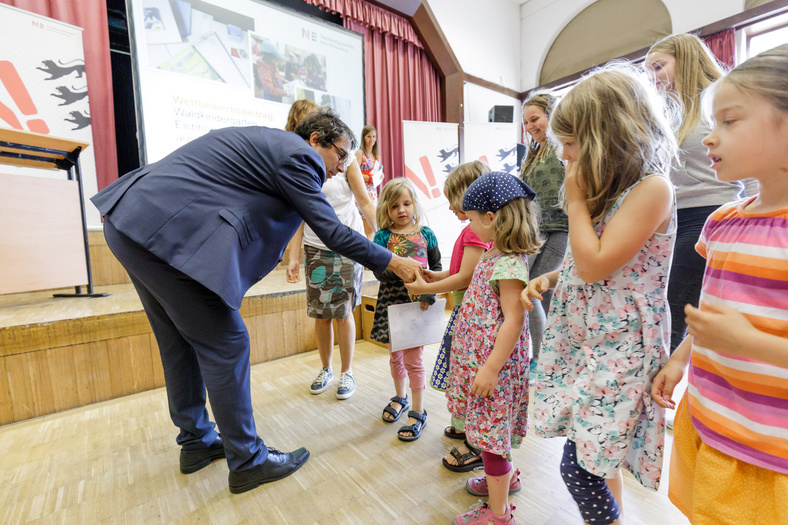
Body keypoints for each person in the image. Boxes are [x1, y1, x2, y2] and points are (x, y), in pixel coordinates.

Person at [90, 108, 423, 494]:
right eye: (342, 154)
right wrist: (393, 261)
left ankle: (196, 441)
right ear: (316, 141)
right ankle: (248, 461)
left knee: (178, 341)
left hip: (133, 222)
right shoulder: (298, 156)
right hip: (159, 232)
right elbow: (330, 230)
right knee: (227, 342)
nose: (342, 166)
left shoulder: (271, 144)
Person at [522, 66, 678, 525]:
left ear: (607, 137)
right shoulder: (606, 191)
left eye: (570, 145)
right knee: (595, 453)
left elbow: (595, 263)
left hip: (622, 347)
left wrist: (574, 202)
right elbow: (585, 263)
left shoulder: (652, 189)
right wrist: (553, 278)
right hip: (590, 341)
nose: (564, 156)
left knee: (579, 464)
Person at [651, 44, 788, 525]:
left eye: (729, 122)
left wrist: (750, 343)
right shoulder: (722, 222)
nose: (710, 139)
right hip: (710, 420)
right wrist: (680, 358)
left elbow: (737, 332)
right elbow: (709, 315)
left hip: (771, 450)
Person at [644, 34, 755, 356]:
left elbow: (750, 167)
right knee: (672, 310)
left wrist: (756, 216)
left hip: (713, 210)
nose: (653, 77)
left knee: (675, 309)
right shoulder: (668, 112)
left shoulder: (718, 101)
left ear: (686, 59)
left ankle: (661, 389)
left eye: (658, 66)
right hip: (675, 218)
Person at [446, 171, 542, 525]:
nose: (469, 225)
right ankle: (503, 479)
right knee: (492, 434)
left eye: (471, 218)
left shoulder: (509, 263)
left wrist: (489, 368)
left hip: (495, 371)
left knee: (490, 438)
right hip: (485, 364)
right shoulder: (493, 253)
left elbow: (514, 322)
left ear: (490, 218)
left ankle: (498, 514)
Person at [282, 102, 377, 400]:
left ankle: (347, 372)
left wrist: (384, 238)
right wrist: (293, 257)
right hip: (316, 246)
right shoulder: (298, 162)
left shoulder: (345, 158)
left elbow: (364, 200)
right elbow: (298, 215)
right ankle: (326, 368)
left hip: (347, 243)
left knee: (343, 311)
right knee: (321, 314)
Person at [405, 161, 493, 456]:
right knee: (460, 370)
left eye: (454, 200)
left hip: (472, 315)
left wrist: (425, 288)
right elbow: (458, 271)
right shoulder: (471, 230)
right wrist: (436, 276)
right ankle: (463, 422)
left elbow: (467, 278)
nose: (452, 208)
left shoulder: (474, 233)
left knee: (467, 371)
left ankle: (472, 433)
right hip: (465, 313)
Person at [371, 178, 441, 442]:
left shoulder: (427, 233)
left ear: (414, 204)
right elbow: (378, 270)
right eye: (394, 206)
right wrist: (400, 275)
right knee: (395, 356)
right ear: (386, 210)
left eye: (406, 203)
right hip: (392, 302)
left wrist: (428, 292)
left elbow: (435, 266)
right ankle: (400, 396)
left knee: (414, 360)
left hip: (418, 303)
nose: (401, 210)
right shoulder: (382, 236)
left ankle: (417, 410)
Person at [518, 92, 568, 367]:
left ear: (552, 114)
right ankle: (545, 355)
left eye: (535, 119)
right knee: (534, 291)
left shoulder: (564, 146)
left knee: (537, 290)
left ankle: (542, 357)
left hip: (561, 227)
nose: (530, 127)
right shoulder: (533, 154)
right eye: (526, 122)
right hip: (536, 229)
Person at [354, 125, 383, 239]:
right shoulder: (360, 153)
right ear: (364, 137)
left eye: (374, 137)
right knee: (364, 227)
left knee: (371, 227)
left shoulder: (376, 156)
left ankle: (369, 251)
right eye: (369, 136)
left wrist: (380, 176)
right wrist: (369, 178)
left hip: (373, 193)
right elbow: (354, 173)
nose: (372, 139)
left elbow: (377, 174)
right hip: (361, 191)